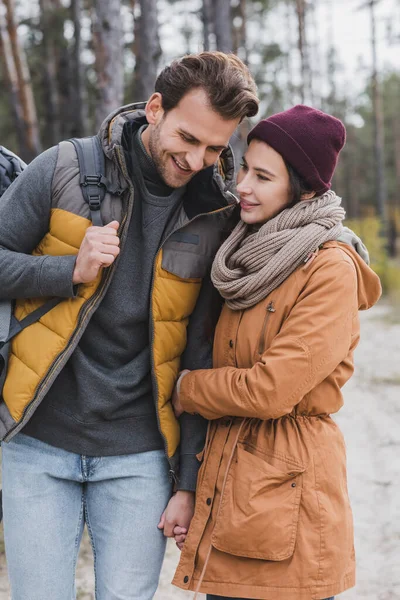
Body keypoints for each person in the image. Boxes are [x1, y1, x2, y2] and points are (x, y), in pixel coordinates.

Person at [0, 52, 259, 600]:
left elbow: (199, 354)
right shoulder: (64, 168)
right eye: (187, 138)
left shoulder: (217, 216)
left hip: (141, 456)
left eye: (215, 148)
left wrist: (186, 482)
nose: (196, 160)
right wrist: (66, 269)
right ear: (156, 108)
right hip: (37, 446)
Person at [171, 105, 382, 600]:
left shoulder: (329, 268)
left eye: (263, 176)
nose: (243, 184)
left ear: (305, 189)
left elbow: (271, 390)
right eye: (245, 167)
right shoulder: (245, 252)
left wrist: (187, 389)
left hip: (291, 496)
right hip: (230, 482)